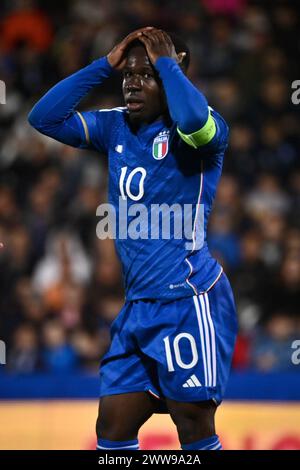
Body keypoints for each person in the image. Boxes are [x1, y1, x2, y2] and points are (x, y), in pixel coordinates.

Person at [28, 27, 238, 451]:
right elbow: (43, 117)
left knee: (194, 426)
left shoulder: (201, 133)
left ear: (173, 73)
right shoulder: (116, 127)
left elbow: (194, 120)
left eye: (146, 75)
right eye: (128, 75)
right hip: (138, 307)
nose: (132, 84)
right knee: (112, 429)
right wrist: (103, 65)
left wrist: (167, 63)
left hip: (187, 299)